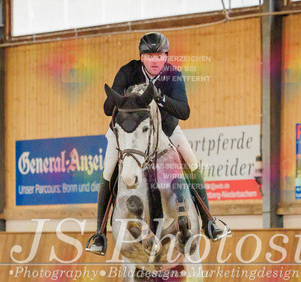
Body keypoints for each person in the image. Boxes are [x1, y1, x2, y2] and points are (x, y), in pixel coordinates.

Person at [86, 32, 231, 255]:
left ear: (166, 57)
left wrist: (160, 97)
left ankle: (209, 221)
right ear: (141, 57)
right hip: (128, 134)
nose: (155, 61)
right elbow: (107, 109)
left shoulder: (173, 75)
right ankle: (99, 234)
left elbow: (184, 111)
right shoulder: (128, 71)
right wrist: (122, 97)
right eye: (149, 56)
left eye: (159, 56)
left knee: (191, 161)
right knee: (108, 170)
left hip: (165, 129)